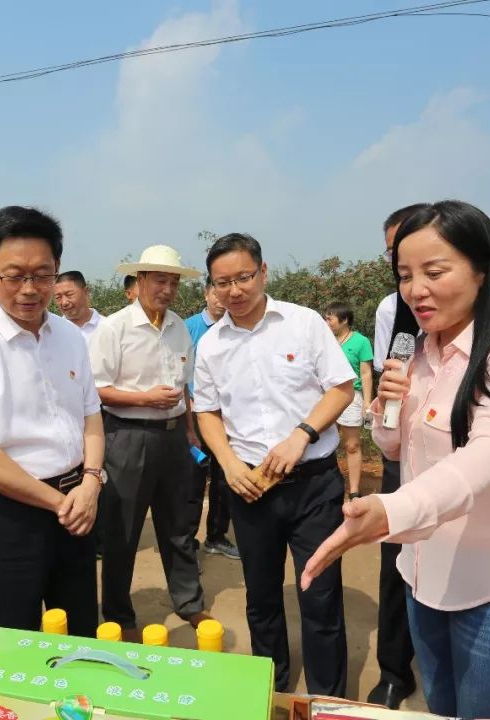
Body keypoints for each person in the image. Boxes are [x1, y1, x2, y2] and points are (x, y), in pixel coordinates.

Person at [301, 201, 490, 720]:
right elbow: (399, 450)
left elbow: (487, 457)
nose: (415, 289)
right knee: (443, 710)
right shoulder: (420, 350)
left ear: (483, 268)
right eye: (405, 275)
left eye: (435, 271)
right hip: (424, 576)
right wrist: (390, 407)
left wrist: (392, 511)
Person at [193, 233, 355, 696]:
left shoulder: (302, 324)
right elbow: (206, 411)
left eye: (244, 277)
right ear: (212, 287)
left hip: (313, 486)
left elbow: (341, 388)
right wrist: (226, 463)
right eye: (222, 282)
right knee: (261, 597)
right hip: (250, 489)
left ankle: (327, 699)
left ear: (263, 273)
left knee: (320, 598)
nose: (235, 290)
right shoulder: (212, 345)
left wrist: (300, 436)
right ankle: (274, 690)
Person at [0, 206, 104, 637]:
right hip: (10, 516)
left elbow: (90, 415)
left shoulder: (69, 336)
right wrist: (57, 503)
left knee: (80, 629)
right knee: (15, 641)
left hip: (78, 504)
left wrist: (90, 482)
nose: (30, 289)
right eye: (15, 276)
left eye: (43, 274)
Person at [89, 245, 212, 642]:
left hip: (173, 437)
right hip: (127, 436)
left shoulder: (178, 327)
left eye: (173, 281)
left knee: (178, 524)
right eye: (159, 280)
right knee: (122, 529)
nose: (167, 288)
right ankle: (120, 614)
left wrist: (190, 431)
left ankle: (190, 603)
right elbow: (97, 389)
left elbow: (185, 388)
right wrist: (145, 399)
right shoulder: (115, 328)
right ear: (139, 281)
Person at [368, 202, 427, 709]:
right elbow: (393, 373)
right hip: (403, 453)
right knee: (398, 560)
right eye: (394, 256)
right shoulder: (394, 309)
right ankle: (394, 670)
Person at [184, 278, 238, 560]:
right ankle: (188, 540)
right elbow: (178, 370)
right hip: (197, 413)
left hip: (229, 415)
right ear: (206, 294)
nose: (219, 299)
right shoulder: (189, 327)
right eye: (214, 293)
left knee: (224, 478)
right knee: (193, 479)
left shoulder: (236, 326)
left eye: (222, 293)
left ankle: (217, 536)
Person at [323, 302, 373, 499]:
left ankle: (354, 490)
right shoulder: (324, 340)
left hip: (352, 396)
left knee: (351, 445)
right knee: (325, 443)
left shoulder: (361, 342)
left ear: (344, 320)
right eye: (326, 318)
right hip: (326, 397)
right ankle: (329, 487)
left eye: (330, 318)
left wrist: (367, 403)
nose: (327, 322)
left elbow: (366, 373)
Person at [54, 270, 102, 343]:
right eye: (58, 297)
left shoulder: (108, 327)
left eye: (69, 294)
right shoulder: (52, 332)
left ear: (86, 292)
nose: (64, 302)